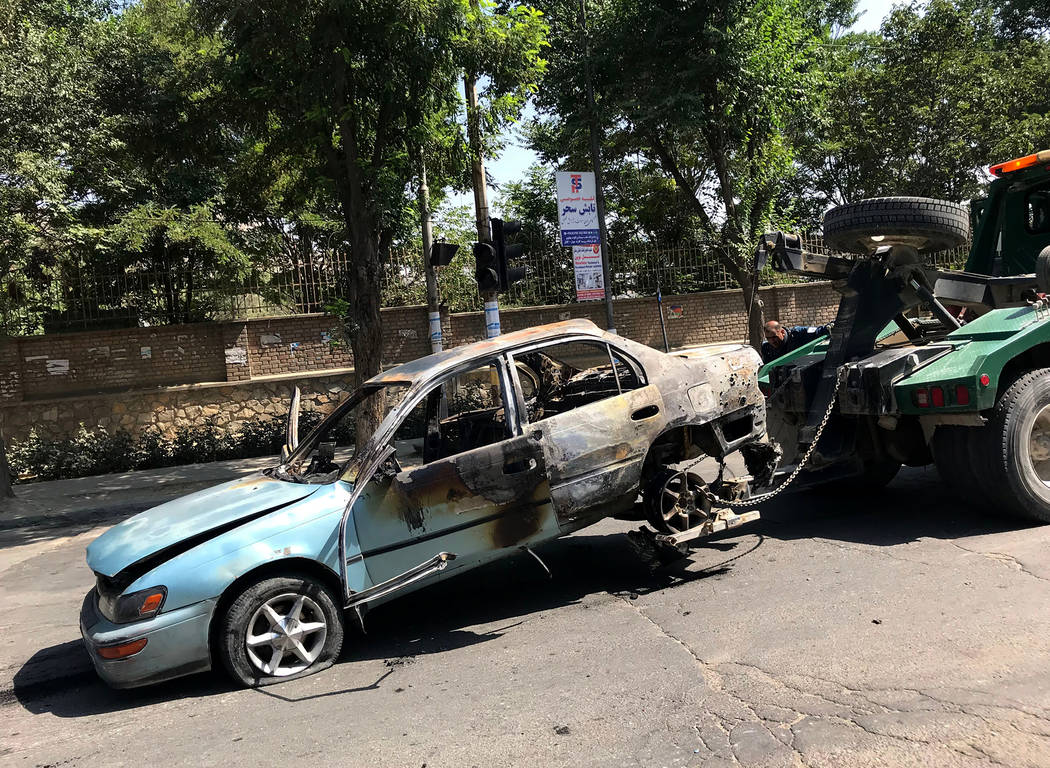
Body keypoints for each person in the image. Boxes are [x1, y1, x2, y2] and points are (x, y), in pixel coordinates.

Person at [761, 320, 831, 364]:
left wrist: (832, 326)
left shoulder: (797, 334)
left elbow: (819, 331)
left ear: (782, 332)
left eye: (774, 337)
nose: (772, 341)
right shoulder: (766, 348)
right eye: (768, 338)